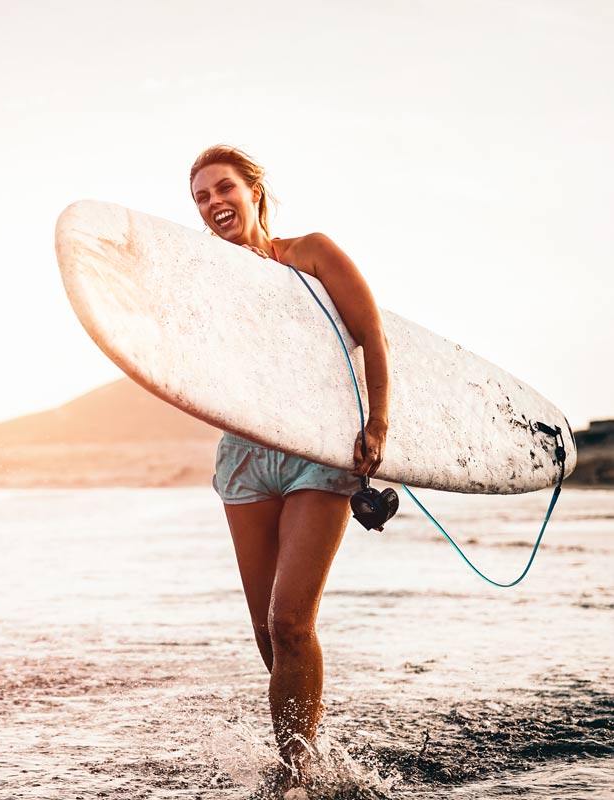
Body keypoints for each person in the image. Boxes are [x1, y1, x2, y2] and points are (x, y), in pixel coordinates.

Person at [188, 146, 390, 784]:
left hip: (317, 450)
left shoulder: (311, 253)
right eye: (201, 197)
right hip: (244, 453)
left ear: (253, 192)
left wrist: (377, 421)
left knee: (290, 620)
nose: (215, 203)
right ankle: (308, 752)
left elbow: (373, 334)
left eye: (224, 189)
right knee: (265, 631)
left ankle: (294, 775)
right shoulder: (208, 280)